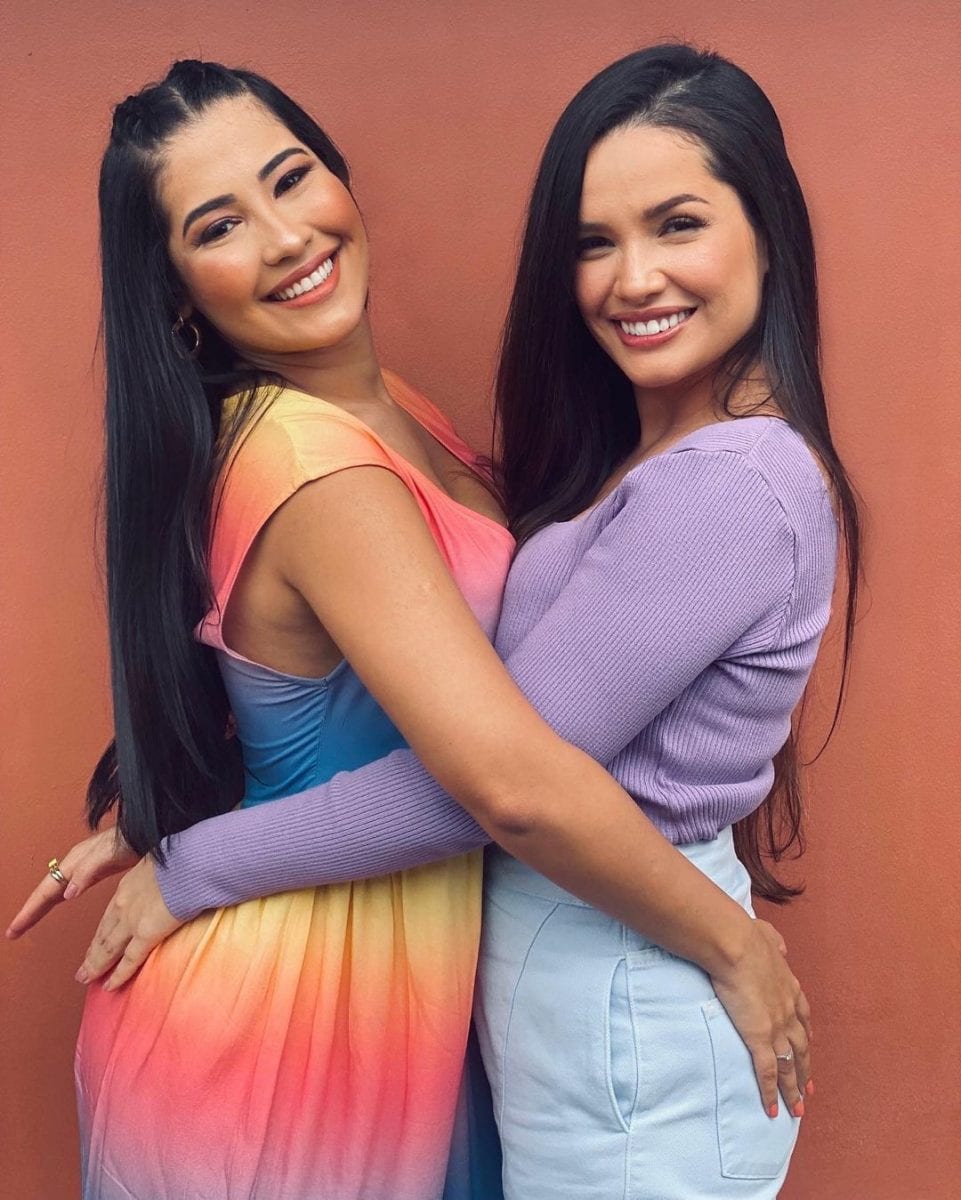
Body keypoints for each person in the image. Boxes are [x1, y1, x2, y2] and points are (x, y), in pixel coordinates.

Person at [8, 45, 856, 1199]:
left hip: (416, 993)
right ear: (175, 293)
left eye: (290, 178)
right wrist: (731, 941)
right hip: (294, 1014)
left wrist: (185, 826)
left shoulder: (401, 419)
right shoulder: (322, 462)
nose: (284, 237)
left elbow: (396, 707)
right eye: (219, 226)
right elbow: (501, 781)